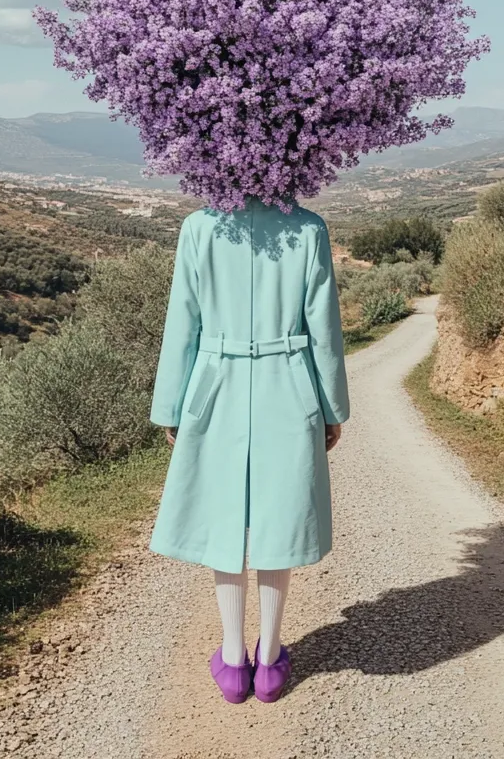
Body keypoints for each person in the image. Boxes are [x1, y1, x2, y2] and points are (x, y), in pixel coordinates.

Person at [148, 194, 350, 704]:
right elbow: (323, 329)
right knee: (278, 520)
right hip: (290, 385)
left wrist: (171, 407)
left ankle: (234, 660)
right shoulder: (308, 228)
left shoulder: (199, 227)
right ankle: (271, 659)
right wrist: (332, 409)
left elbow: (182, 323)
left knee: (224, 519)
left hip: (216, 385)